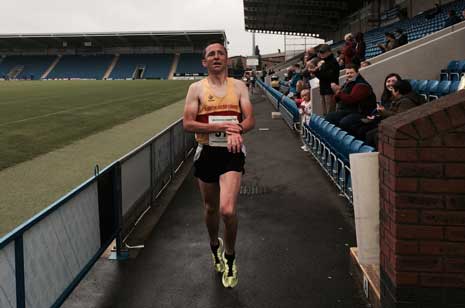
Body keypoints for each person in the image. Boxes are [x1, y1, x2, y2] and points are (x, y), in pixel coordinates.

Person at [183, 41, 255, 288]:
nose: (216, 57)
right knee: (211, 208)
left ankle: (231, 256)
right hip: (206, 152)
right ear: (204, 62)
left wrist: (237, 129)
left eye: (220, 53)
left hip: (231, 152)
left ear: (227, 59)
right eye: (211, 54)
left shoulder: (239, 86)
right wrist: (221, 127)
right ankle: (215, 245)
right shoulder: (196, 89)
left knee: (228, 210)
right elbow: (188, 124)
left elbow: (249, 120)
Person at [360, 79, 425, 147]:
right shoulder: (400, 99)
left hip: (402, 130)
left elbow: (400, 117)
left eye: (393, 90)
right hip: (393, 125)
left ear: (398, 91)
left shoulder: (406, 101)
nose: (392, 92)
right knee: (369, 133)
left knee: (372, 135)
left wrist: (383, 112)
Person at [325, 64, 376, 136]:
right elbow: (336, 99)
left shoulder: (361, 85)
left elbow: (351, 99)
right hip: (349, 110)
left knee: (344, 122)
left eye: (351, 73)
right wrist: (338, 93)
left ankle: (348, 142)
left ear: (357, 73)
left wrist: (338, 92)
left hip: (362, 112)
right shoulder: (348, 83)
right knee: (330, 117)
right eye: (347, 73)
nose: (349, 75)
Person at [309, 44, 340, 115]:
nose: (321, 54)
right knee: (325, 112)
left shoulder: (332, 62)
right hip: (324, 88)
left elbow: (328, 76)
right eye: (320, 52)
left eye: (323, 52)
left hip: (329, 90)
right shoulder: (324, 61)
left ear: (329, 52)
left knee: (330, 111)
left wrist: (315, 72)